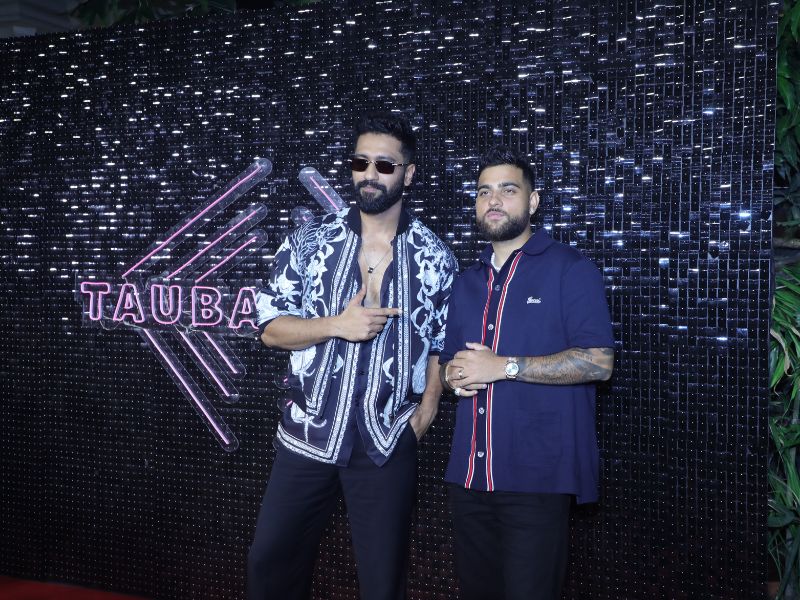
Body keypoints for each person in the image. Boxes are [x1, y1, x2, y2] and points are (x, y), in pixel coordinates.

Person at [248, 111, 458, 600]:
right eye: (360, 162)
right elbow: (269, 329)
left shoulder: (434, 256)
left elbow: (442, 343)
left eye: (384, 165)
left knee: (383, 583)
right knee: (269, 562)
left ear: (408, 174)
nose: (369, 174)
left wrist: (427, 408)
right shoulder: (308, 241)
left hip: (386, 441)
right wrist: (335, 326)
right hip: (308, 434)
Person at [438, 146, 614, 600]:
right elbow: (445, 365)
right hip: (469, 479)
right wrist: (452, 377)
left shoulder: (570, 269)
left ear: (533, 202)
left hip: (538, 481)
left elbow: (598, 362)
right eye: (484, 192)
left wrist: (504, 367)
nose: (493, 200)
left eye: (508, 190)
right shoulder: (466, 282)